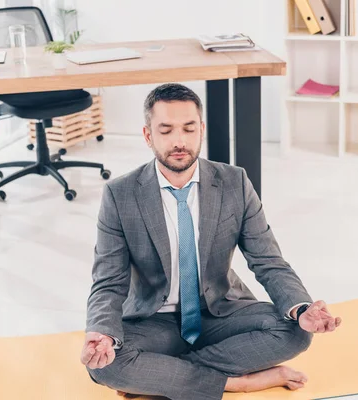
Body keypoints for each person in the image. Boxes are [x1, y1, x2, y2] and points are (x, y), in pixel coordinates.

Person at [80, 83, 342, 400]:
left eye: (189, 129)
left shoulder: (234, 182)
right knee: (104, 365)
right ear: (148, 136)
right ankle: (241, 382)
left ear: (201, 130)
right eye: (166, 131)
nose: (179, 142)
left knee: (296, 331)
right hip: (154, 321)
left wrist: (302, 309)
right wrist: (102, 332)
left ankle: (162, 376)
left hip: (219, 312)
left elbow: (268, 261)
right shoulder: (120, 194)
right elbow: (108, 280)